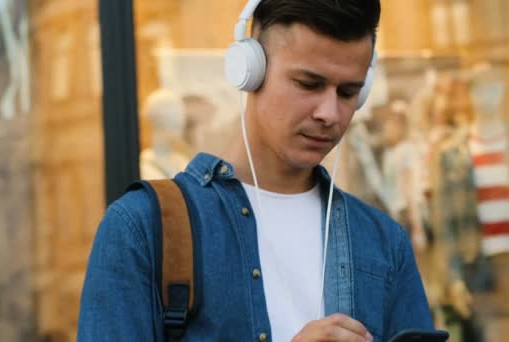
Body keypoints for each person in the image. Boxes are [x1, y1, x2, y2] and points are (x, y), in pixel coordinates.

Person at [78, 0, 434, 341]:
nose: (329, 112)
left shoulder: (384, 243)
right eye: (309, 84)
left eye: (348, 92)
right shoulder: (142, 228)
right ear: (250, 71)